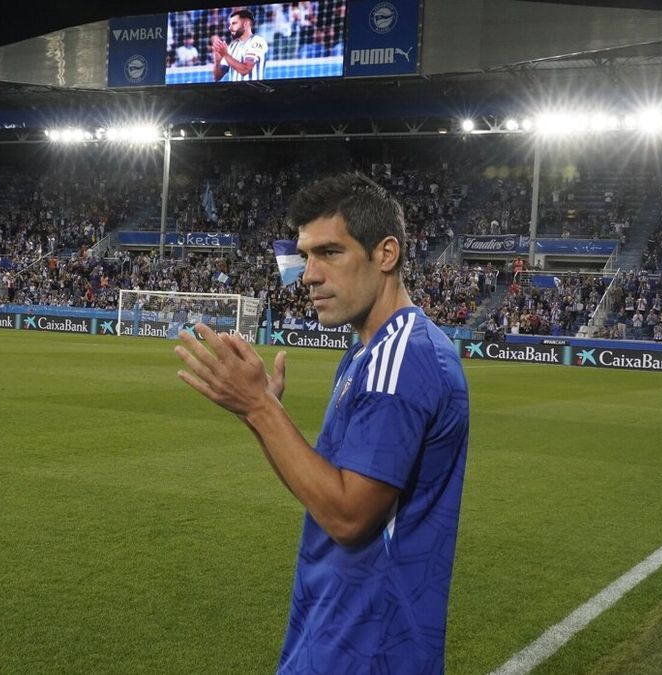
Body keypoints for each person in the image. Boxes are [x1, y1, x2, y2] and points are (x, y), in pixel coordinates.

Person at [174, 173, 470, 674]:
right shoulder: (366, 354)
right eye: (305, 255)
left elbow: (349, 517)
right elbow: (324, 488)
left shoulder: (403, 358)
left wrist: (261, 410)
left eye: (329, 253)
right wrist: (261, 413)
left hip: (368, 645)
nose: (308, 275)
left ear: (386, 254)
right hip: (338, 626)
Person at [211, 9, 268, 82]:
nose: (230, 28)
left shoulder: (257, 41)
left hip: (254, 91)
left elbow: (245, 70)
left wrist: (225, 54)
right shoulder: (232, 46)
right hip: (234, 92)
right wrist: (217, 62)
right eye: (230, 24)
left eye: (234, 23)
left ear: (246, 24)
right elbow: (217, 77)